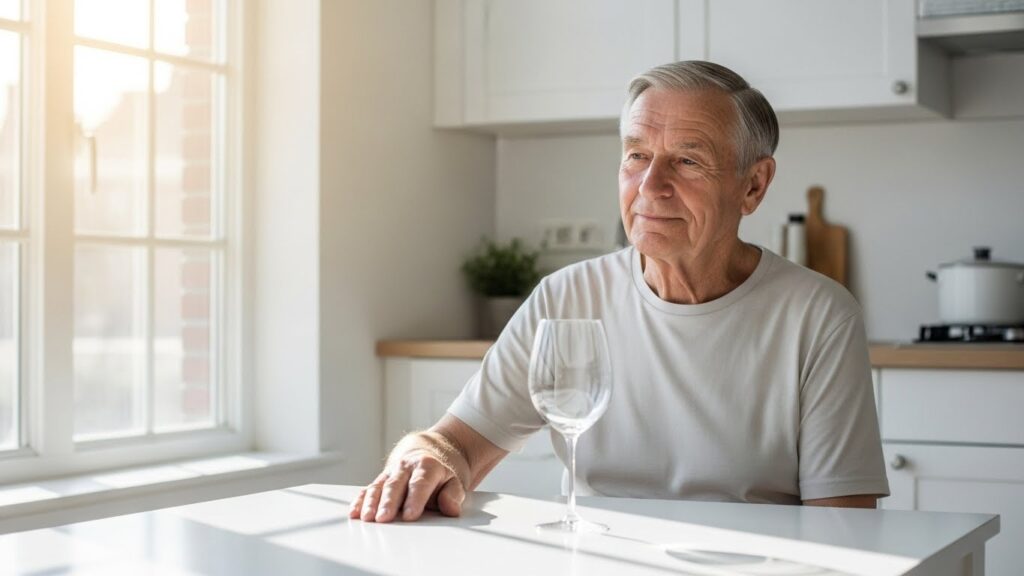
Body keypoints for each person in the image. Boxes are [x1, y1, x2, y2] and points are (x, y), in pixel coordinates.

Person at [349, 60, 889, 524]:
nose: (650, 186)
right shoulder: (566, 297)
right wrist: (422, 458)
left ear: (753, 185)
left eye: (688, 160)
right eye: (636, 155)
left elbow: (843, 527)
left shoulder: (818, 315)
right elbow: (454, 444)